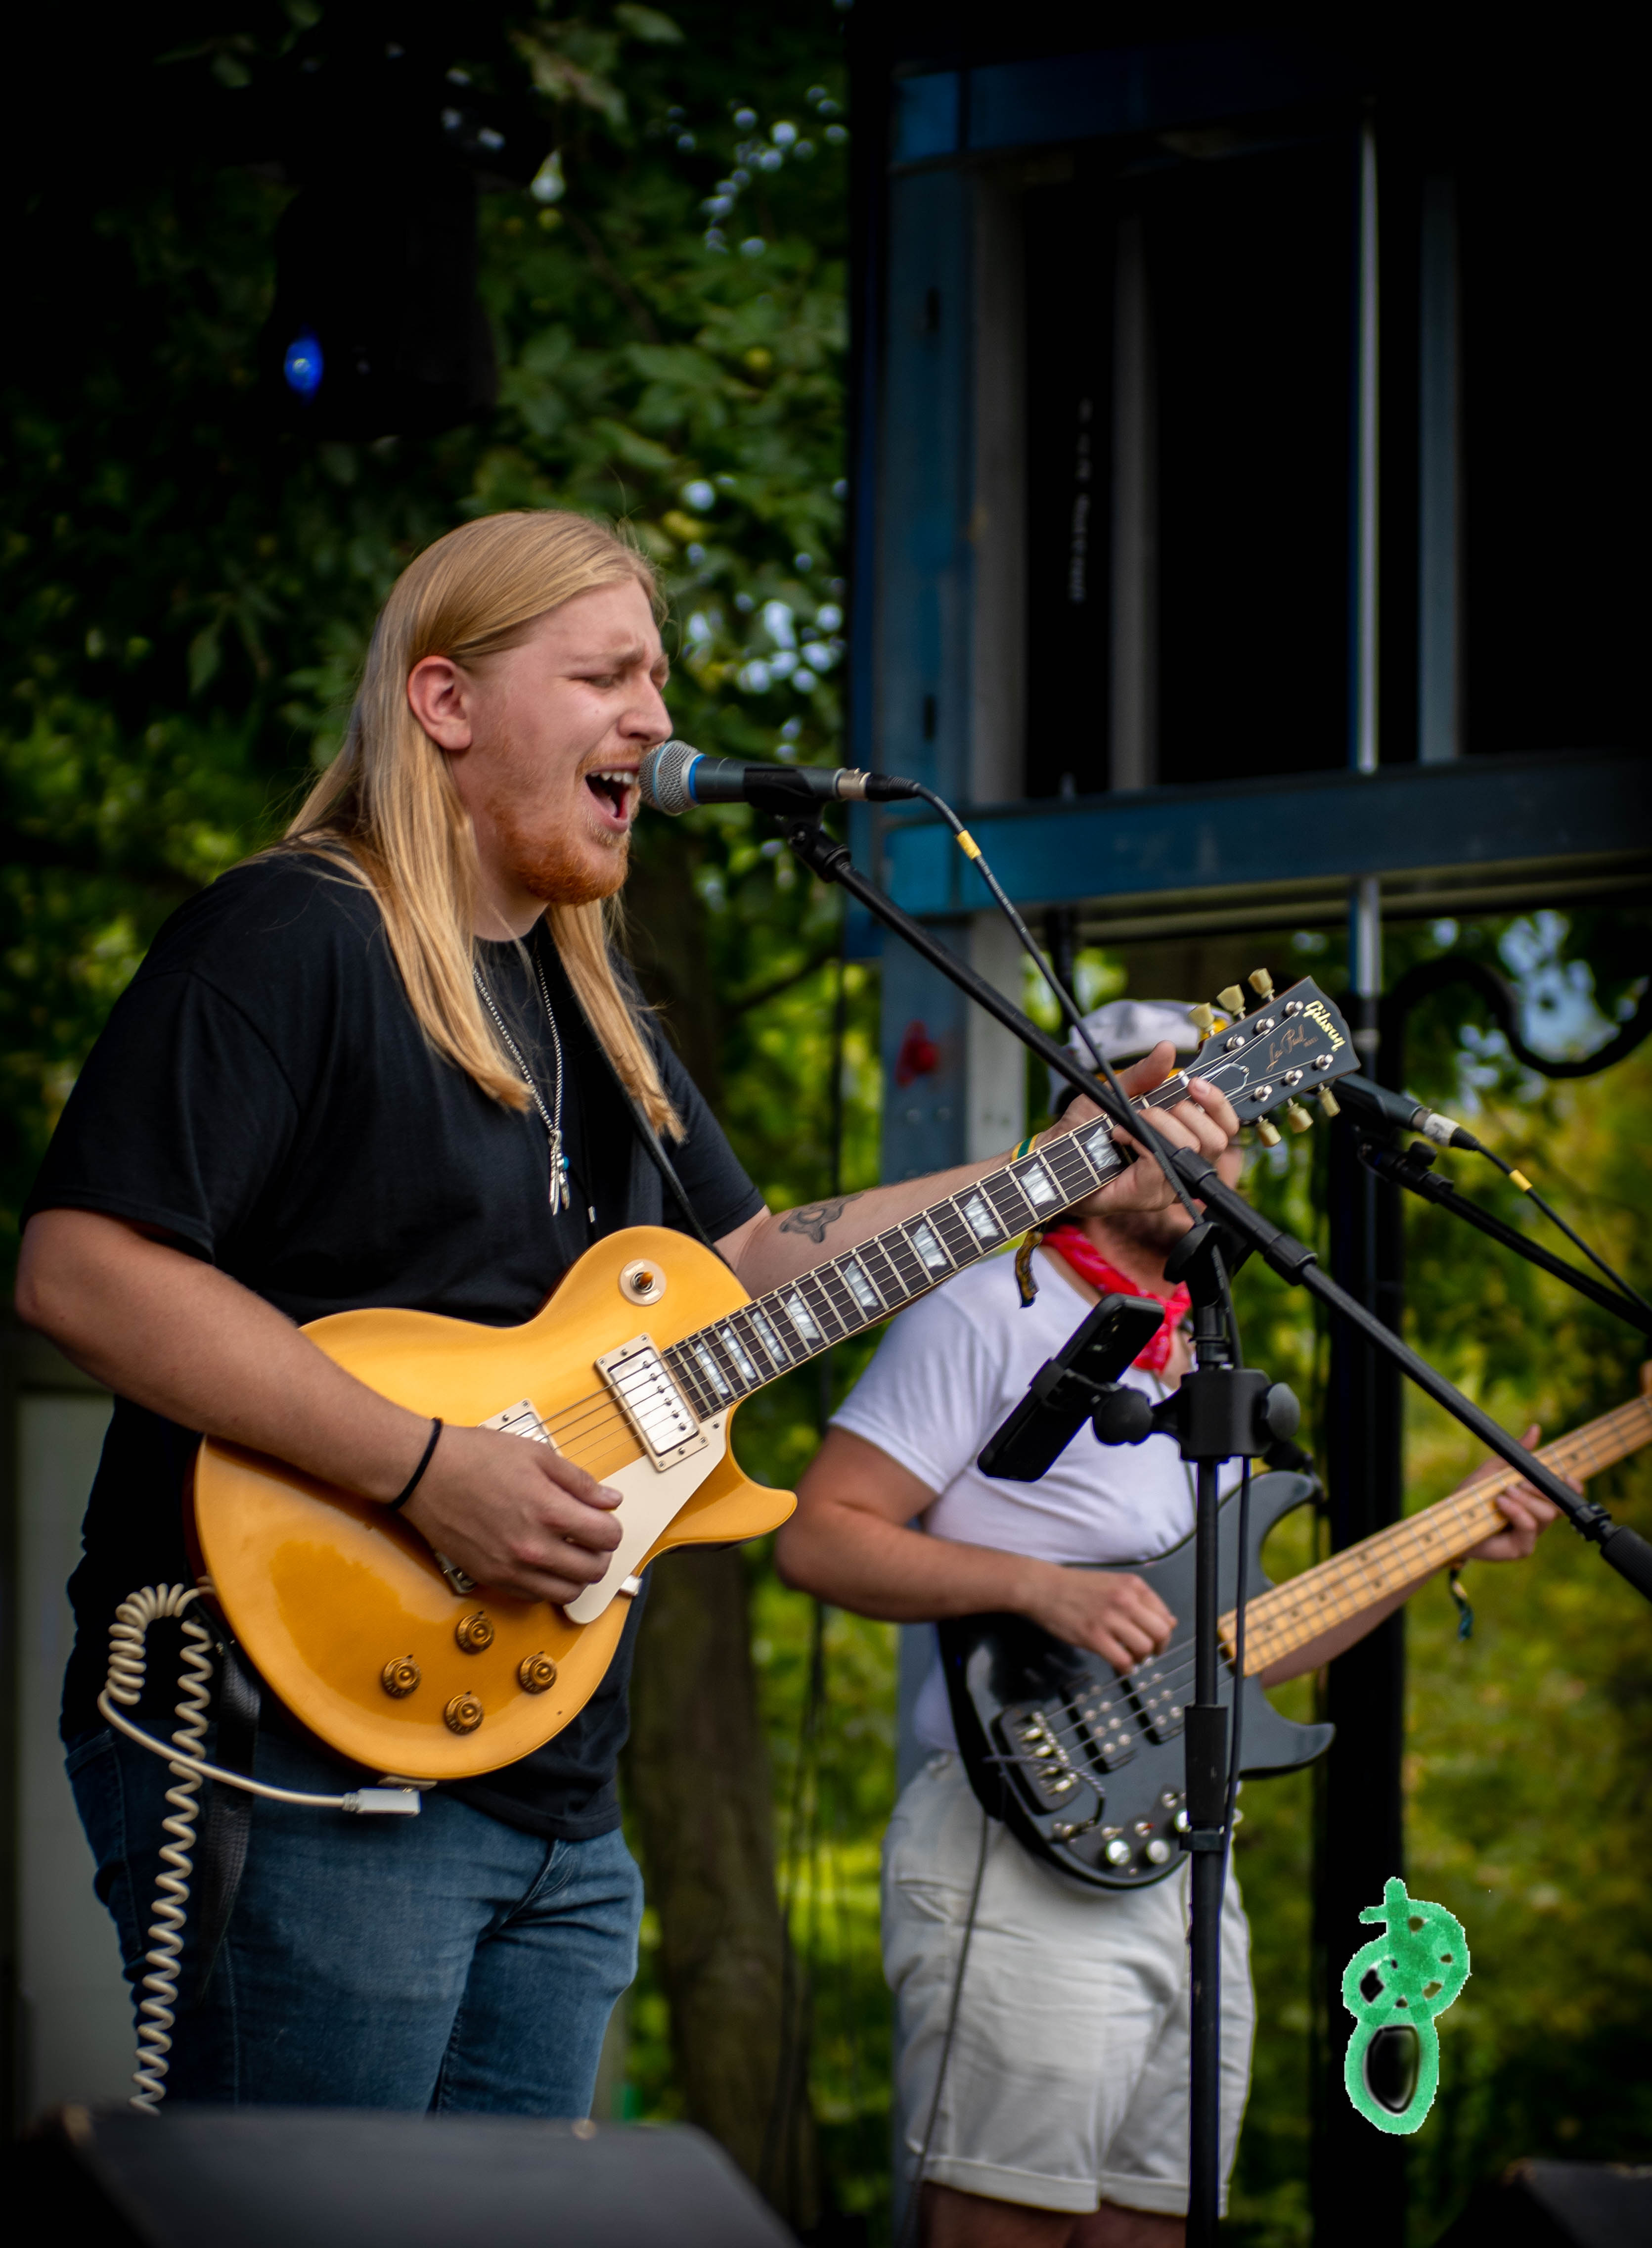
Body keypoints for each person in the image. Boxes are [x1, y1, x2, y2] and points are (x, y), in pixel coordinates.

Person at [14, 513, 1241, 2117]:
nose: (658, 719)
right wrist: (420, 1463)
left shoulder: (599, 1007)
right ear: (446, 701)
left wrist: (1048, 1172)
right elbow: (83, 1268)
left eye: (657, 675)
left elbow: (749, 1263)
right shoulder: (294, 937)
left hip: (551, 1789)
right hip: (295, 1727)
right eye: (605, 674)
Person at [775, 997, 1559, 2248]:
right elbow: (819, 1533)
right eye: (1152, 1102)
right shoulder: (990, 1302)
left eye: (1225, 1112)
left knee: (1155, 2226)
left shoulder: (1207, 1360)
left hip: (1181, 1852)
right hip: (1012, 1829)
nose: (1203, 1131)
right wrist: (1041, 1584)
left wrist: (1451, 1533)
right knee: (1000, 2221)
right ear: (1072, 1131)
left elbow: (1241, 1647)